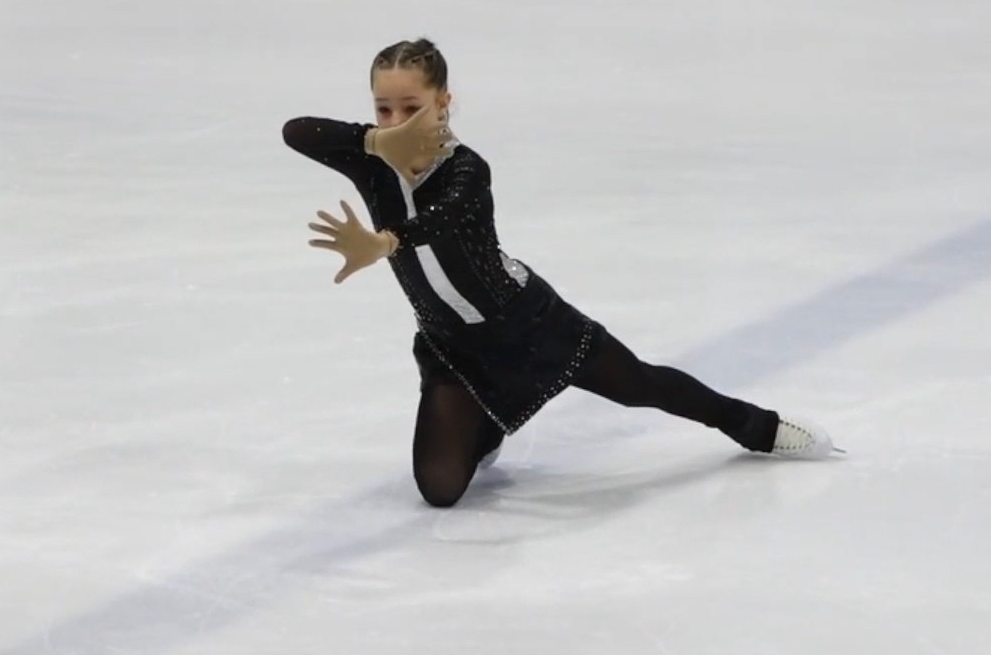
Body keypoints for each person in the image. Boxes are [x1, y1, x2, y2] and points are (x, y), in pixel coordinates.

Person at [283, 39, 833, 508]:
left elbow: (440, 220)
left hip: (529, 326)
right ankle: (489, 421)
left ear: (444, 102)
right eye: (384, 110)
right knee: (440, 489)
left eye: (411, 108)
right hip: (453, 346)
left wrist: (385, 242)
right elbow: (295, 131)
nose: (396, 122)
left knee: (638, 384)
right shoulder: (371, 164)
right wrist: (372, 141)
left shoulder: (467, 170)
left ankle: (756, 425)